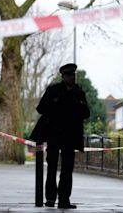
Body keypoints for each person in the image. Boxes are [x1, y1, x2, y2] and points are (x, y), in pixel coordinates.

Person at [30, 63, 90, 209]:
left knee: (67, 169)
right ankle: (50, 198)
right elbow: (41, 108)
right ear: (63, 77)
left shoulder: (78, 92)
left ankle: (64, 200)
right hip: (54, 136)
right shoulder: (53, 90)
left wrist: (77, 105)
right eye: (69, 75)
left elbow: (86, 113)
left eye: (73, 75)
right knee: (52, 167)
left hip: (70, 137)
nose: (72, 78)